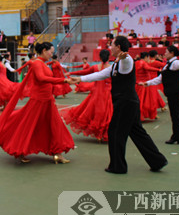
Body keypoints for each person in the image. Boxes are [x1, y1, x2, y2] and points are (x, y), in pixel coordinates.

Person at [71, 36, 168, 173]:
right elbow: (101, 74)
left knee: (116, 133)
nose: (110, 47)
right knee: (137, 133)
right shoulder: (115, 65)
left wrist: (124, 57)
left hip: (125, 103)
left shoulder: (126, 61)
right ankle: (158, 161)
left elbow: (126, 61)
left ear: (119, 47)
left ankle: (118, 166)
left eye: (112, 45)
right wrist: (80, 79)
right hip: (128, 103)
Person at [0, 42, 75, 164]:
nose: (51, 54)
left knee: (54, 125)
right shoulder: (36, 64)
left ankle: (58, 153)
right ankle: (20, 150)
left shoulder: (43, 64)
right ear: (44, 50)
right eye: (50, 52)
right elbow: (41, 78)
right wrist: (63, 80)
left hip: (48, 100)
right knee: (29, 125)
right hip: (38, 101)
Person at [139, 45, 179, 145]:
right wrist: (147, 83)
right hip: (174, 91)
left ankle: (176, 136)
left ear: (172, 53)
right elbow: (160, 79)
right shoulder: (168, 64)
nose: (164, 53)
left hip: (174, 92)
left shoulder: (175, 63)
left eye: (166, 52)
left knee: (175, 114)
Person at [63, 50, 113, 141]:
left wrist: (71, 73)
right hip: (106, 94)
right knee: (105, 113)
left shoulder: (96, 67)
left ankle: (99, 134)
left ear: (100, 57)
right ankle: (102, 133)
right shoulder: (111, 68)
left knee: (95, 112)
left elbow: (83, 72)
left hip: (96, 93)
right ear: (109, 57)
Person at [134, 52, 163, 121]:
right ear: (146, 57)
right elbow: (148, 68)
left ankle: (139, 115)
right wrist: (158, 70)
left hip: (138, 84)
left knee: (140, 101)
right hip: (143, 85)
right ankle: (142, 115)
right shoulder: (143, 63)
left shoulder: (136, 62)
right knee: (146, 102)